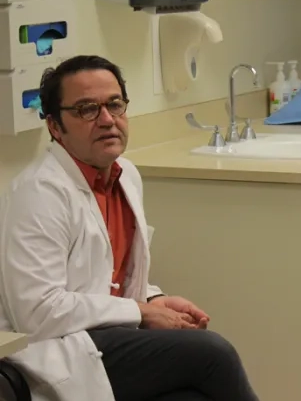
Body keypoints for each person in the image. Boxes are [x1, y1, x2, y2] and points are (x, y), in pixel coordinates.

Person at [0, 55, 259, 401]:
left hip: (103, 338)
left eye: (115, 105)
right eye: (86, 109)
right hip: (53, 352)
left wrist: (155, 299)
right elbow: (37, 313)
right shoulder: (39, 193)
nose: (106, 120)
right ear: (54, 126)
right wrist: (141, 312)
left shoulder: (125, 175)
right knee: (212, 354)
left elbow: (107, 276)